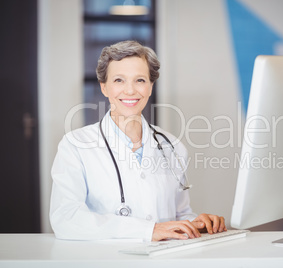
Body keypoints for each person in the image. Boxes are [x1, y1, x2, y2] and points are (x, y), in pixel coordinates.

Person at [50, 40, 226, 241]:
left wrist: (196, 223)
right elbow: (66, 219)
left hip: (163, 260)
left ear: (150, 87)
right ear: (104, 88)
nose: (130, 90)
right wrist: (147, 230)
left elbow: (179, 214)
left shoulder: (172, 146)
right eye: (119, 80)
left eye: (140, 80)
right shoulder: (75, 146)